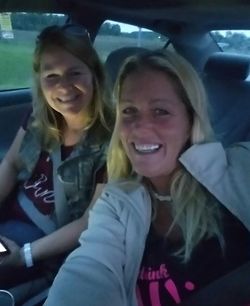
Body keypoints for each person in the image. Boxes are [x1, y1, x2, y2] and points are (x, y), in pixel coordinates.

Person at [44, 50, 250, 306]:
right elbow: (89, 267)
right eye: (129, 111)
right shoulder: (116, 202)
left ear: (191, 119)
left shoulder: (240, 169)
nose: (140, 127)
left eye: (160, 111)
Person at [0, 24, 113, 293]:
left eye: (75, 72)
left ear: (94, 75)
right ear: (40, 80)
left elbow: (90, 221)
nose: (63, 86)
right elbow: (11, 164)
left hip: (43, 242)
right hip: (9, 224)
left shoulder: (112, 140)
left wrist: (24, 255)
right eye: (51, 75)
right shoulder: (40, 118)